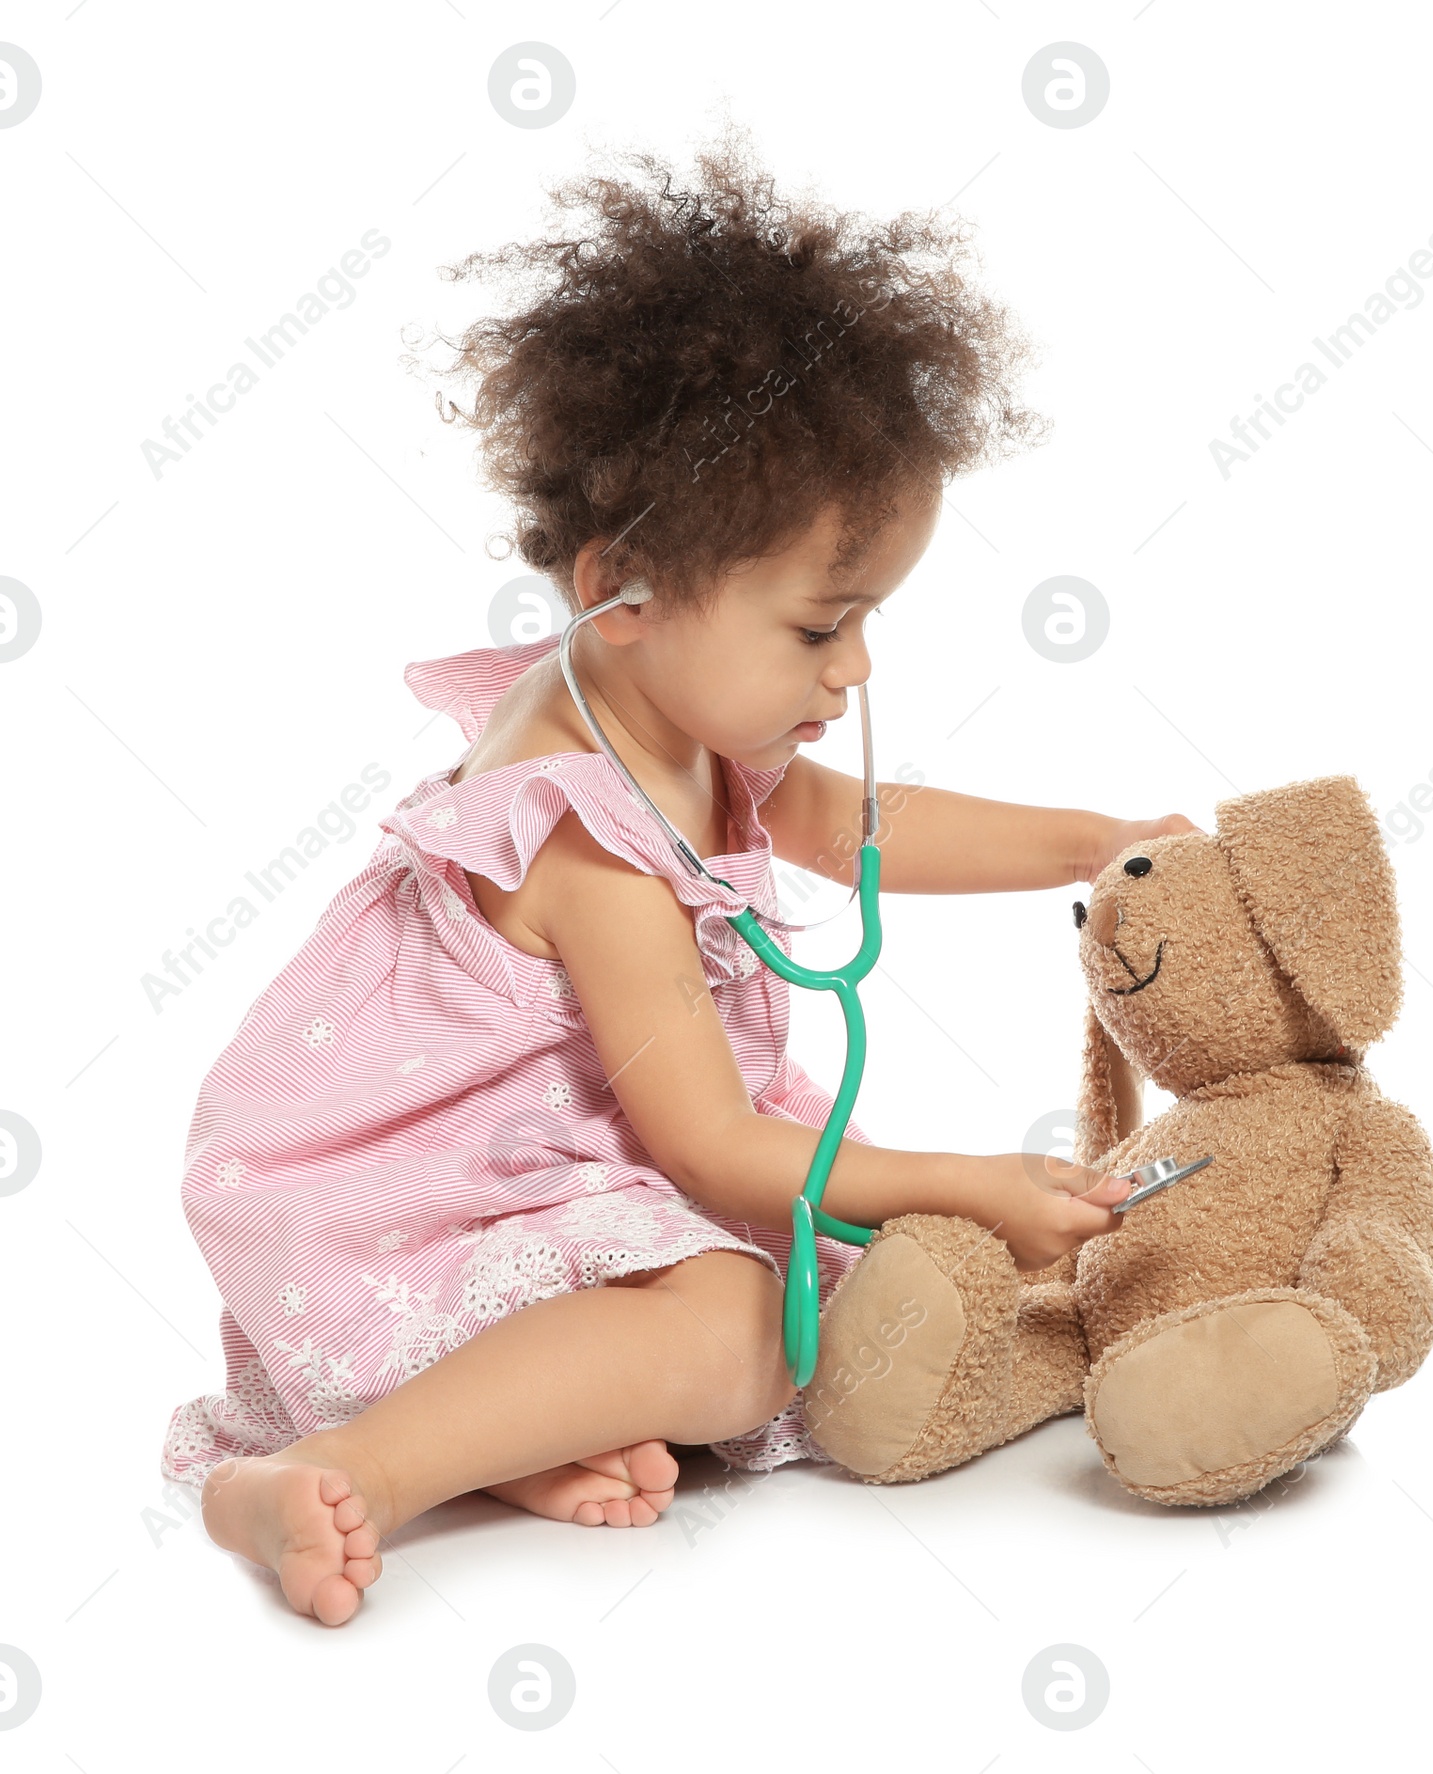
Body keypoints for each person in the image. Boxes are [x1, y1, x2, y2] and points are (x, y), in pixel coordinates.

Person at [167, 129, 1201, 1625]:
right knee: (741, 1333)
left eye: (866, 622)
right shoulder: (589, 833)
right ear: (619, 586)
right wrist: (965, 1185)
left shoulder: (664, 702)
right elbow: (718, 1151)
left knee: (764, 1293)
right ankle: (353, 1468)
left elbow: (851, 822)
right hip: (409, 1214)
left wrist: (1098, 840)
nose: (854, 669)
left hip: (546, 1178)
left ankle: (520, 1425)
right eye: (818, 628)